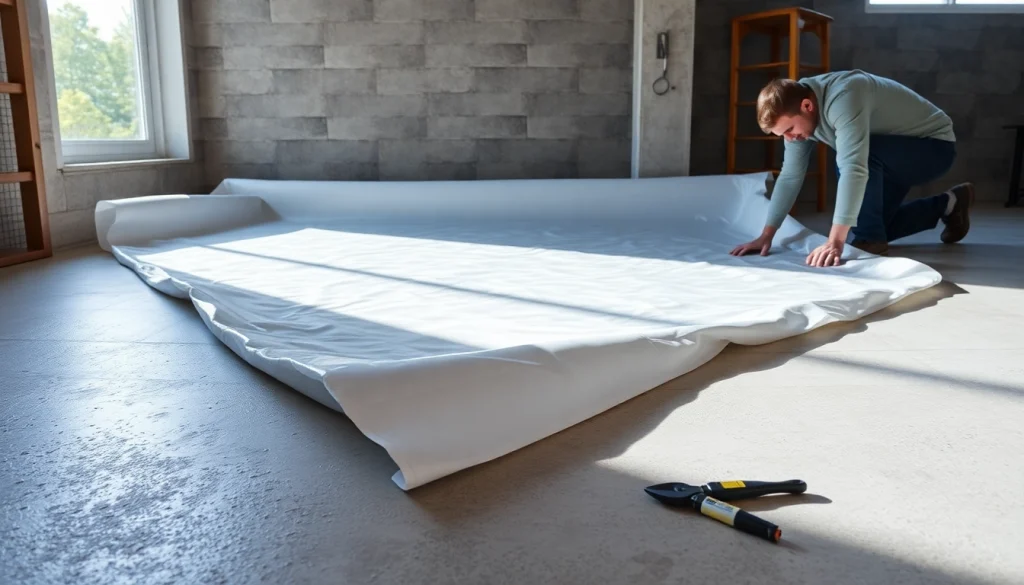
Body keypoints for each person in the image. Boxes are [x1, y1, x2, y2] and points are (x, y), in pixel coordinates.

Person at [730, 69, 974, 267]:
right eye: (783, 134)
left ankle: (870, 239)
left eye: (790, 130)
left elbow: (853, 167)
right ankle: (951, 203)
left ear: (807, 106)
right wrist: (766, 235)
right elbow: (791, 176)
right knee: (876, 226)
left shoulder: (844, 95)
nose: (790, 138)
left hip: (933, 148)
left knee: (855, 177)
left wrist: (835, 241)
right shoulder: (796, 116)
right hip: (888, 156)